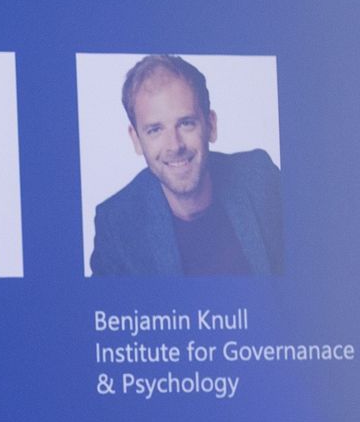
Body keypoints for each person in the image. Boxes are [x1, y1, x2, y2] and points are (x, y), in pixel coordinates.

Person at [89, 53, 283, 275]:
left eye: (186, 123)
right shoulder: (116, 225)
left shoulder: (260, 178)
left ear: (211, 125)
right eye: (155, 130)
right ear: (136, 140)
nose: (175, 145)